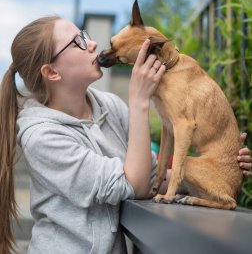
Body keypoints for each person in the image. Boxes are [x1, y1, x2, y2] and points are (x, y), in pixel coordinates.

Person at [0, 16, 251, 254]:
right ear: (52, 72)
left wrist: (220, 168)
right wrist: (140, 101)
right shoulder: (42, 138)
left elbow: (154, 176)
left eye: (84, 34)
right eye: (78, 42)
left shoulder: (110, 106)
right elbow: (134, 185)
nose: (93, 44)